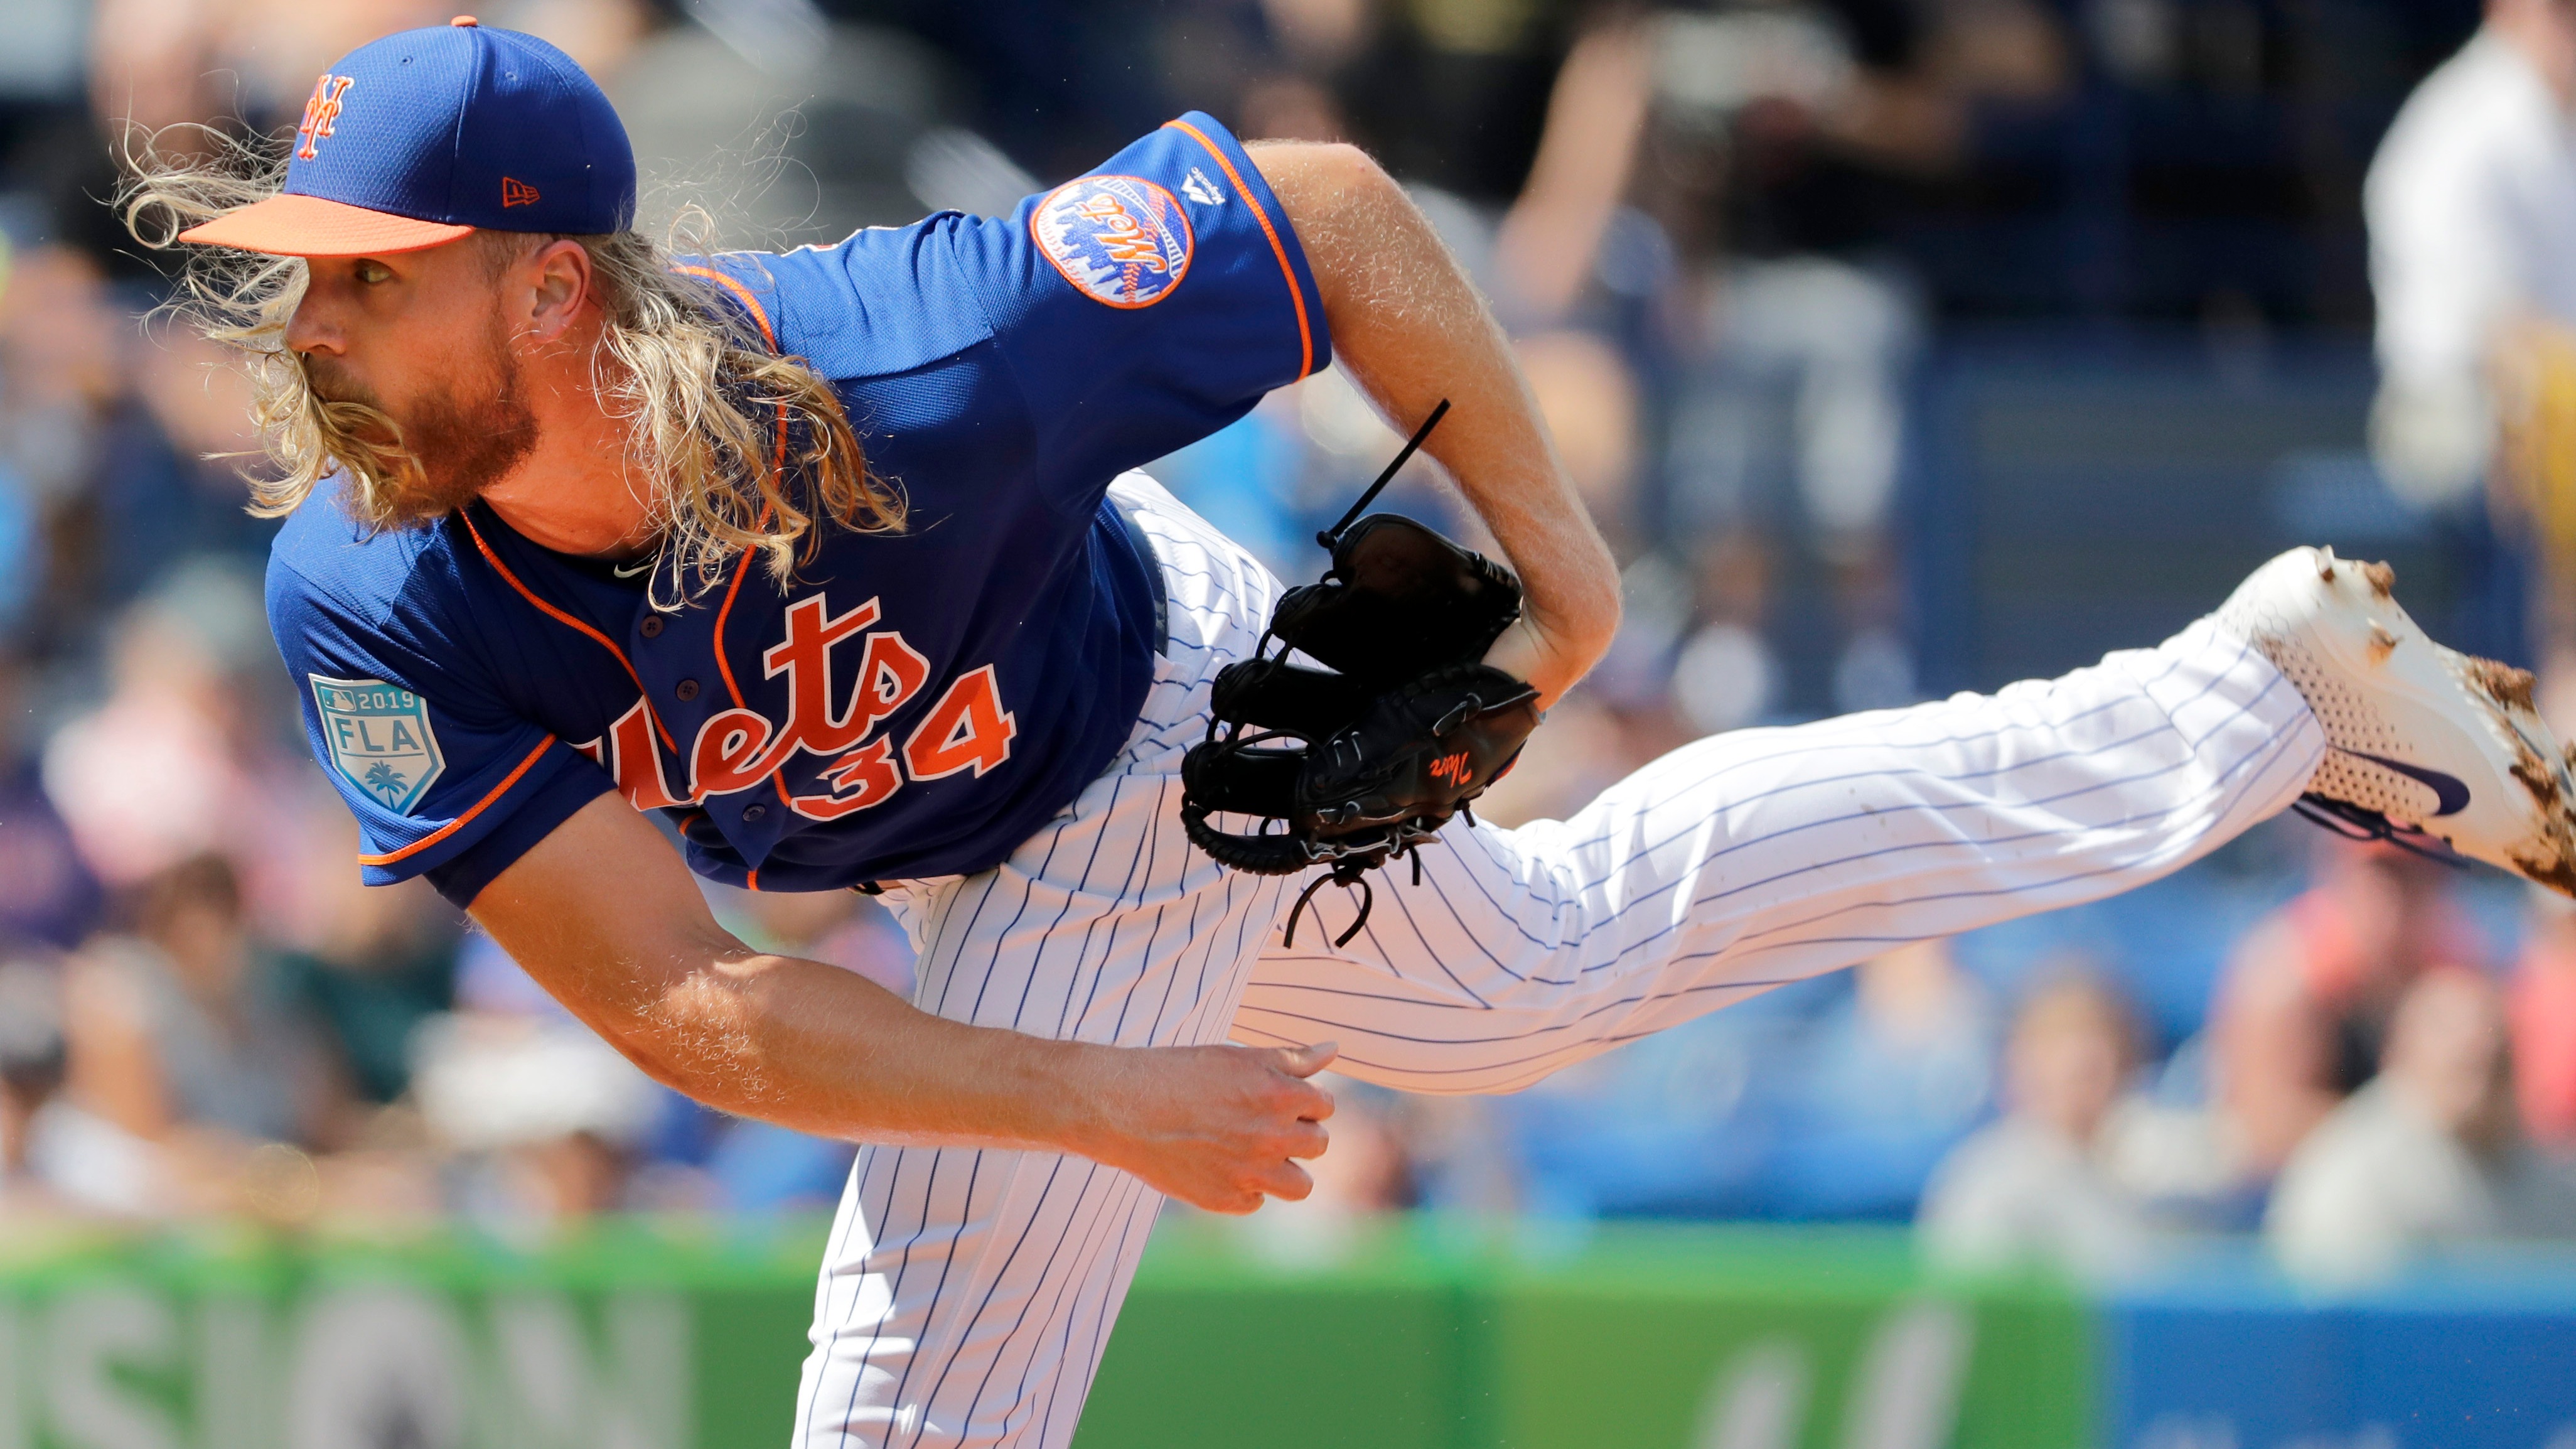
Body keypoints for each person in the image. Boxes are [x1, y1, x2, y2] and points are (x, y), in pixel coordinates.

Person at [134, 20, 2576, 1446]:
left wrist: (1563, 571)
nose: (305, 330)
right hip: (941, 850)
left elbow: (1317, 209)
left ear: (551, 292)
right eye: (305, 277)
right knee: (1547, 971)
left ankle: (2261, 695)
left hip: (1133, 727)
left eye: (365, 279)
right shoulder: (366, 583)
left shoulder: (923, 354)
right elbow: (686, 1004)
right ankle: (2257, 696)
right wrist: (1093, 1098)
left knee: (911, 1403)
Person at [2266, 969, 2576, 1284]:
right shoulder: (2354, 1172)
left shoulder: (2544, 1173)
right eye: (2465, 1067)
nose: (2481, 1084)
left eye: (2497, 1067)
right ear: (2400, 1053)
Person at [1918, 972, 2157, 1277]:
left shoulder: (2140, 1168)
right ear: (2018, 1064)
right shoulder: (1991, 1181)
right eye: (2052, 1043)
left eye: (2089, 1069)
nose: (2075, 1063)